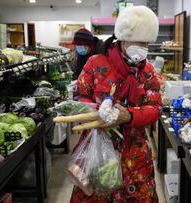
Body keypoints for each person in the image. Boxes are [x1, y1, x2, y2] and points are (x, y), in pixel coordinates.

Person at [70, 6, 161, 203]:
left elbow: (155, 108)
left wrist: (129, 116)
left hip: (134, 152)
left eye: (147, 43)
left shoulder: (148, 72)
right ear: (123, 38)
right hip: (97, 147)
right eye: (141, 42)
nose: (144, 47)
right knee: (95, 193)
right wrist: (96, 113)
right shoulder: (96, 63)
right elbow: (81, 94)